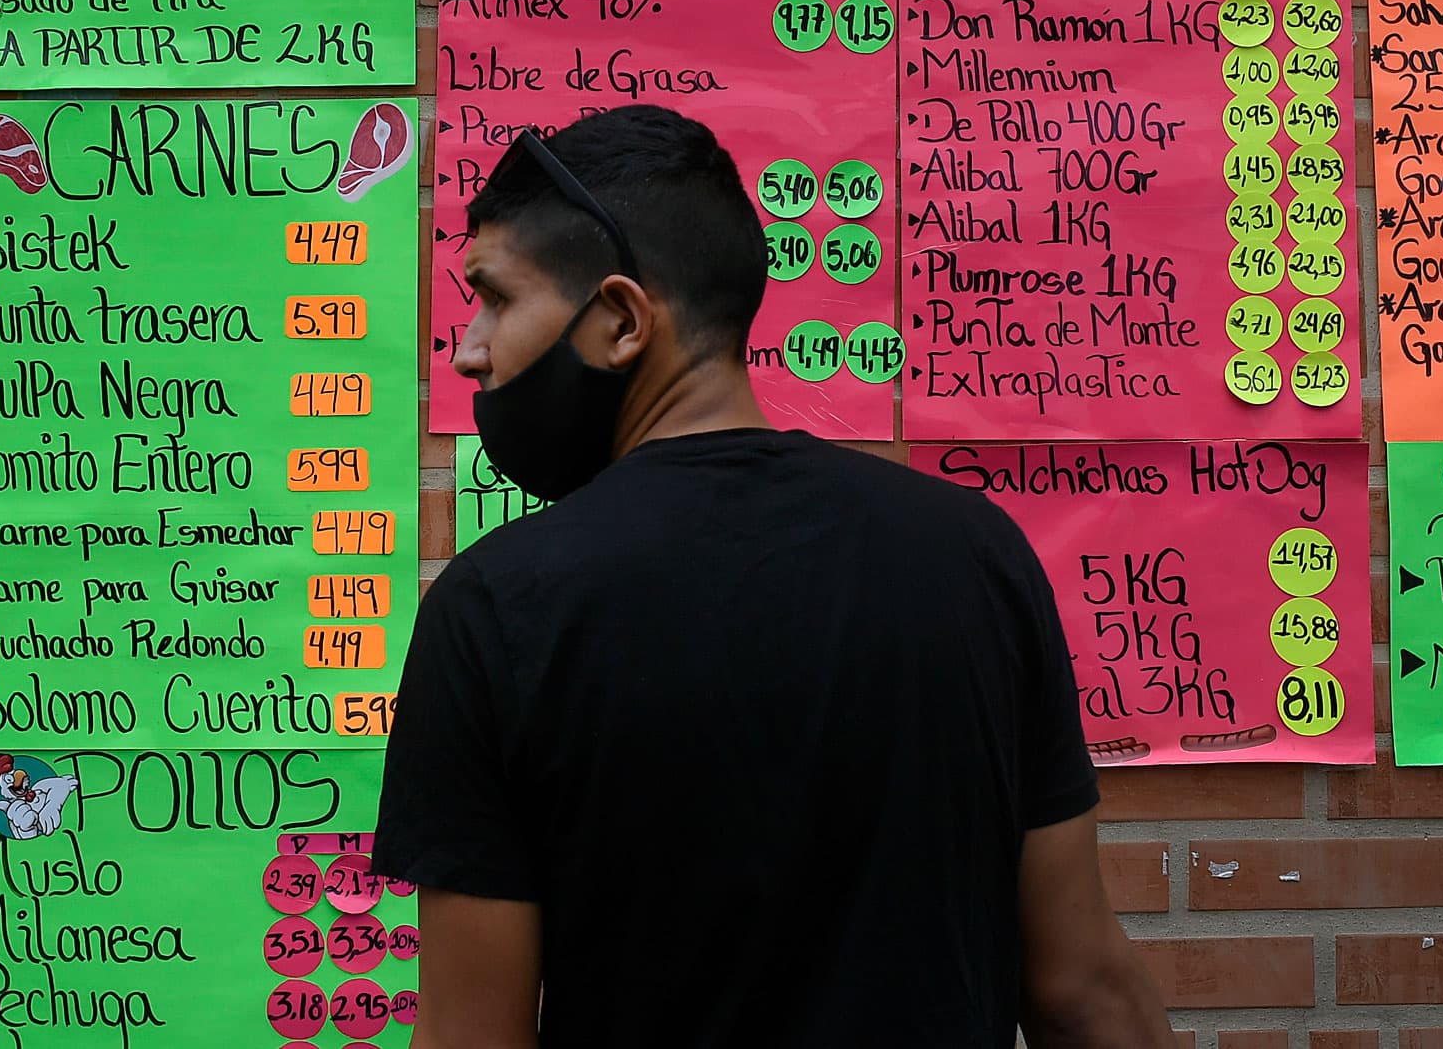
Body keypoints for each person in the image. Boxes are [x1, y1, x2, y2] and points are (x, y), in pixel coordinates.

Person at [375, 105, 1173, 1049]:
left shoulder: (496, 607)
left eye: (496, 298)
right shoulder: (975, 554)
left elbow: (474, 1039)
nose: (468, 347)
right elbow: (1085, 990)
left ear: (623, 320)